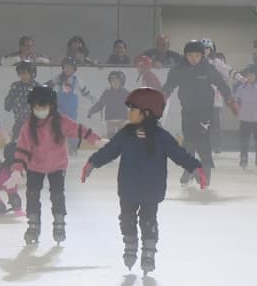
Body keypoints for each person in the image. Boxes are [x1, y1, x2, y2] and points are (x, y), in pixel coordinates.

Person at [81, 87, 206, 275]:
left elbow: (179, 154)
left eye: (133, 109)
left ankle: (148, 251)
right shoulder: (125, 133)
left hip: (151, 189)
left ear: (147, 113)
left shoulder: (162, 137)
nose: (129, 113)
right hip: (128, 188)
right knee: (126, 219)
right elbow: (110, 151)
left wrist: (195, 167)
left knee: (148, 221)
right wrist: (92, 163)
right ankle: (130, 244)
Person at [2, 86, 106, 246]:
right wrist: (16, 172)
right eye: (37, 107)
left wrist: (96, 140)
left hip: (57, 166)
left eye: (43, 107)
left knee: (57, 195)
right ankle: (33, 225)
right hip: (35, 167)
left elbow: (79, 129)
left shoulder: (61, 122)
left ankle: (59, 224)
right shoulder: (28, 127)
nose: (40, 110)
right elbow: (22, 151)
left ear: (51, 106)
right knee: (32, 194)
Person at [162, 40, 233, 186]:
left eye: (197, 56)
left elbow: (221, 84)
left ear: (202, 56)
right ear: (185, 55)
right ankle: (189, 168)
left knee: (202, 140)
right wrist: (162, 96)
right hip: (187, 110)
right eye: (190, 55)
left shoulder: (208, 68)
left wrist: (230, 99)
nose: (193, 59)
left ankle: (206, 170)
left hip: (205, 111)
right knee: (188, 140)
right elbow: (169, 85)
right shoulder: (179, 69)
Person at [48, 57, 96, 155]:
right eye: (66, 67)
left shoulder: (76, 79)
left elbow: (84, 91)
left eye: (70, 68)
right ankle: (56, 145)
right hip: (59, 104)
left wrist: (91, 98)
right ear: (63, 68)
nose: (68, 69)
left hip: (71, 106)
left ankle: (73, 146)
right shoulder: (58, 77)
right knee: (57, 124)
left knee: (72, 125)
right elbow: (50, 84)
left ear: (74, 69)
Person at [4, 60, 40, 141]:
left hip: (33, 121)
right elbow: (10, 97)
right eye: (21, 74)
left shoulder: (36, 87)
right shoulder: (16, 86)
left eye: (26, 73)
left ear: (32, 74)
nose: (23, 76)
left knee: (33, 140)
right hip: (19, 120)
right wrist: (8, 104)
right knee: (16, 139)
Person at [88, 71, 131, 137]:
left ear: (122, 82)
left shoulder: (125, 93)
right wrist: (91, 111)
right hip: (110, 119)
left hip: (122, 119)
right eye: (112, 81)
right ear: (110, 82)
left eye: (117, 81)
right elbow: (100, 104)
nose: (114, 83)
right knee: (111, 137)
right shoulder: (107, 93)